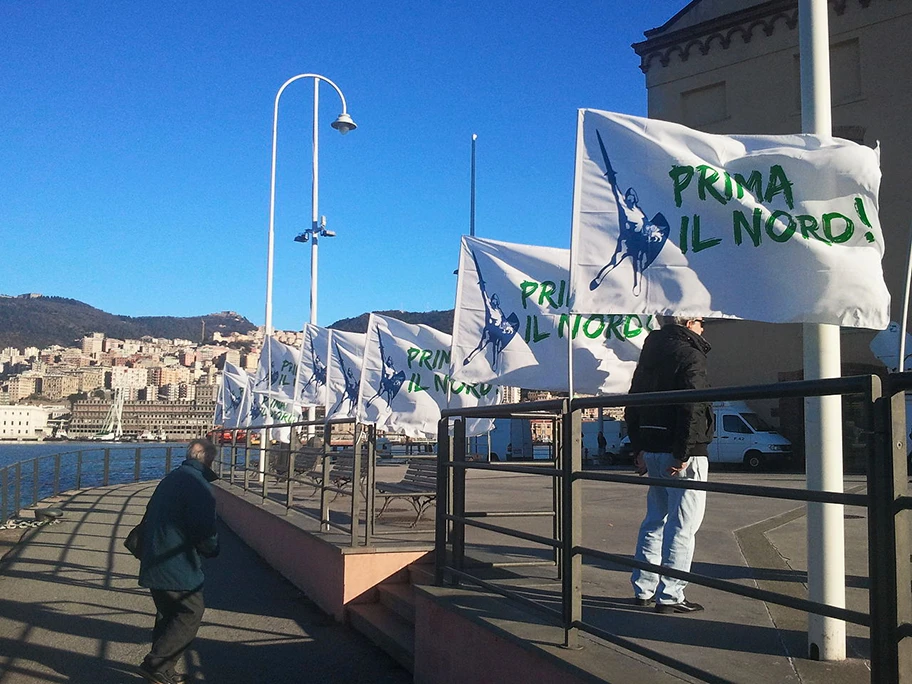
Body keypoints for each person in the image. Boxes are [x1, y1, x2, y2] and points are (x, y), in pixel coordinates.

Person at [626, 315, 713, 614]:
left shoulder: (649, 354)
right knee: (683, 525)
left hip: (652, 447)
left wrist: (638, 448)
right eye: (701, 321)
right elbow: (693, 405)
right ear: (689, 322)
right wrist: (684, 452)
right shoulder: (691, 354)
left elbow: (633, 402)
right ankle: (671, 595)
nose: (704, 327)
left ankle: (644, 589)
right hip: (683, 453)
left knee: (655, 520)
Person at [137, 439, 220, 683]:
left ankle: (164, 668)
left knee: (167, 613)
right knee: (190, 611)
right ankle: (156, 664)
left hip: (155, 556)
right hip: (178, 561)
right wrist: (212, 549)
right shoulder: (199, 486)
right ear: (208, 460)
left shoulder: (171, 478)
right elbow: (204, 529)